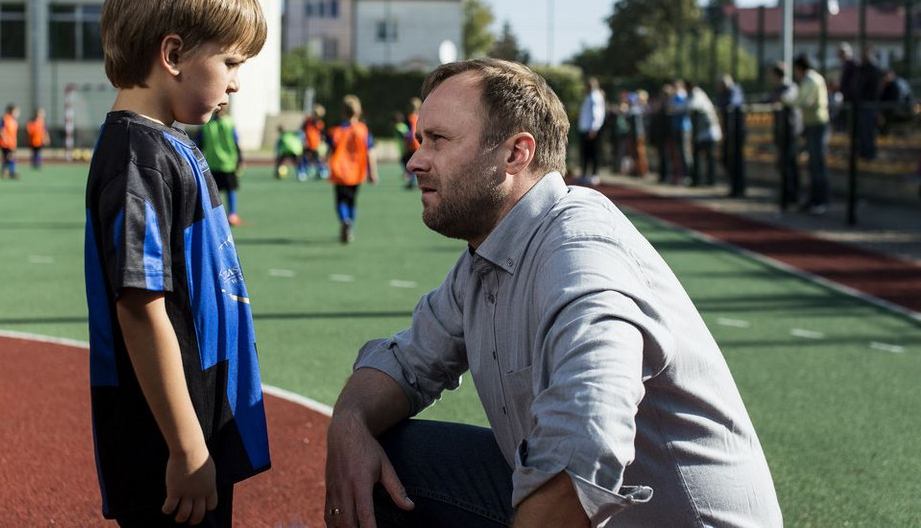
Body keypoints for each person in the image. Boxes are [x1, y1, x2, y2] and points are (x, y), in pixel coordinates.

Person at [324, 58, 782, 528]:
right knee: (393, 460)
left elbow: (587, 438)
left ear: (516, 154)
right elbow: (407, 361)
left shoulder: (581, 252)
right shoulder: (486, 257)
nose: (415, 160)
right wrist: (350, 424)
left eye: (438, 140)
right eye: (421, 140)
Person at [84, 0, 271, 527]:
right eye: (233, 63)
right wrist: (188, 447)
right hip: (167, 439)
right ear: (173, 54)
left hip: (194, 424)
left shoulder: (165, 145)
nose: (237, 83)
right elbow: (140, 306)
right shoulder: (137, 157)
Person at [327, 94, 378, 243]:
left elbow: (329, 151)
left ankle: (345, 220)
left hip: (339, 172)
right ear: (359, 112)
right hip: (356, 172)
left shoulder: (335, 131)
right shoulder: (363, 130)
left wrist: (325, 164)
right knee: (352, 201)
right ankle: (351, 227)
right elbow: (370, 152)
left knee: (340, 201)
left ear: (342, 112)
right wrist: (373, 172)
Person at [787, 54, 831, 215]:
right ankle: (814, 199)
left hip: (817, 124)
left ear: (799, 68)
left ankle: (821, 200)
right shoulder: (810, 79)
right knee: (813, 163)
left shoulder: (812, 80)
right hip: (811, 124)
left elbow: (803, 101)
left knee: (817, 163)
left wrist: (786, 100)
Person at [196, 106, 244, 225]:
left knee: (212, 192)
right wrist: (240, 159)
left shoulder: (206, 125)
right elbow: (235, 142)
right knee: (230, 189)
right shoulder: (230, 123)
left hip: (212, 163)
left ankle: (213, 216)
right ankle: (232, 214)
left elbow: (199, 144)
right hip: (228, 163)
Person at [768, 62, 801, 208]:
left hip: (791, 131)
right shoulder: (778, 89)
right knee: (783, 164)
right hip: (782, 131)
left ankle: (791, 196)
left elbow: (786, 100)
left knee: (790, 164)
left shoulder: (790, 87)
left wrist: (778, 99)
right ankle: (786, 195)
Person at [686, 81, 721, 187]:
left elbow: (691, 106)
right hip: (701, 132)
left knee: (709, 157)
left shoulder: (698, 95)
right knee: (699, 156)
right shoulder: (694, 95)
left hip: (708, 131)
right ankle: (698, 179)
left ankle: (711, 180)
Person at [717, 74, 746, 197]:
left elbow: (732, 103)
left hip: (736, 133)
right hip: (729, 132)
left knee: (736, 161)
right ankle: (735, 187)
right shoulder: (725, 93)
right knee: (727, 159)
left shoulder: (735, 90)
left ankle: (738, 189)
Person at [577, 77, 605, 181]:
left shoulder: (596, 97)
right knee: (585, 153)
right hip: (585, 129)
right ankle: (584, 173)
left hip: (592, 129)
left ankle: (594, 174)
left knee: (593, 152)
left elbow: (597, 113)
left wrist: (594, 128)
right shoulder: (588, 97)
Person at [299, 103, 327, 180]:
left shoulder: (320, 123)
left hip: (315, 144)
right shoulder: (307, 121)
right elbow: (302, 130)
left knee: (317, 158)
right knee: (304, 158)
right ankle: (302, 172)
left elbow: (322, 134)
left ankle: (322, 171)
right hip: (307, 143)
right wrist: (302, 139)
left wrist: (322, 142)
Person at [401, 97, 422, 189]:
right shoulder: (420, 117)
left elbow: (407, 132)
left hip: (411, 144)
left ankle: (412, 180)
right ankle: (416, 181)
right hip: (419, 143)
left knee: (407, 162)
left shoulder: (409, 118)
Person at [0, 103, 20, 179]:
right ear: (10, 111)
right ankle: (12, 172)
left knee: (8, 158)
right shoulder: (5, 119)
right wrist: (5, 138)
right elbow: (0, 129)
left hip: (11, 143)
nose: (17, 113)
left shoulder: (14, 121)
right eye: (16, 111)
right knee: (11, 157)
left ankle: (4, 172)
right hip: (5, 143)